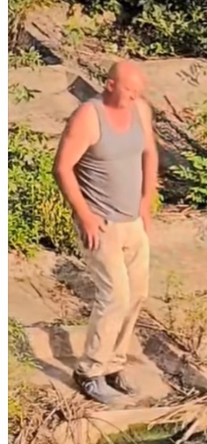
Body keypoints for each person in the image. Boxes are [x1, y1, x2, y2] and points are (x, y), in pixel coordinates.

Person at [53, 60, 159, 404]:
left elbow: (149, 153)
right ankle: (89, 371)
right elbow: (63, 167)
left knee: (137, 295)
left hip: (133, 221)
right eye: (129, 89)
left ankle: (114, 365)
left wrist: (147, 200)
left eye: (138, 91)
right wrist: (83, 215)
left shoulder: (140, 110)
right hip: (102, 224)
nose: (134, 96)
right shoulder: (89, 116)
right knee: (114, 296)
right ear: (110, 84)